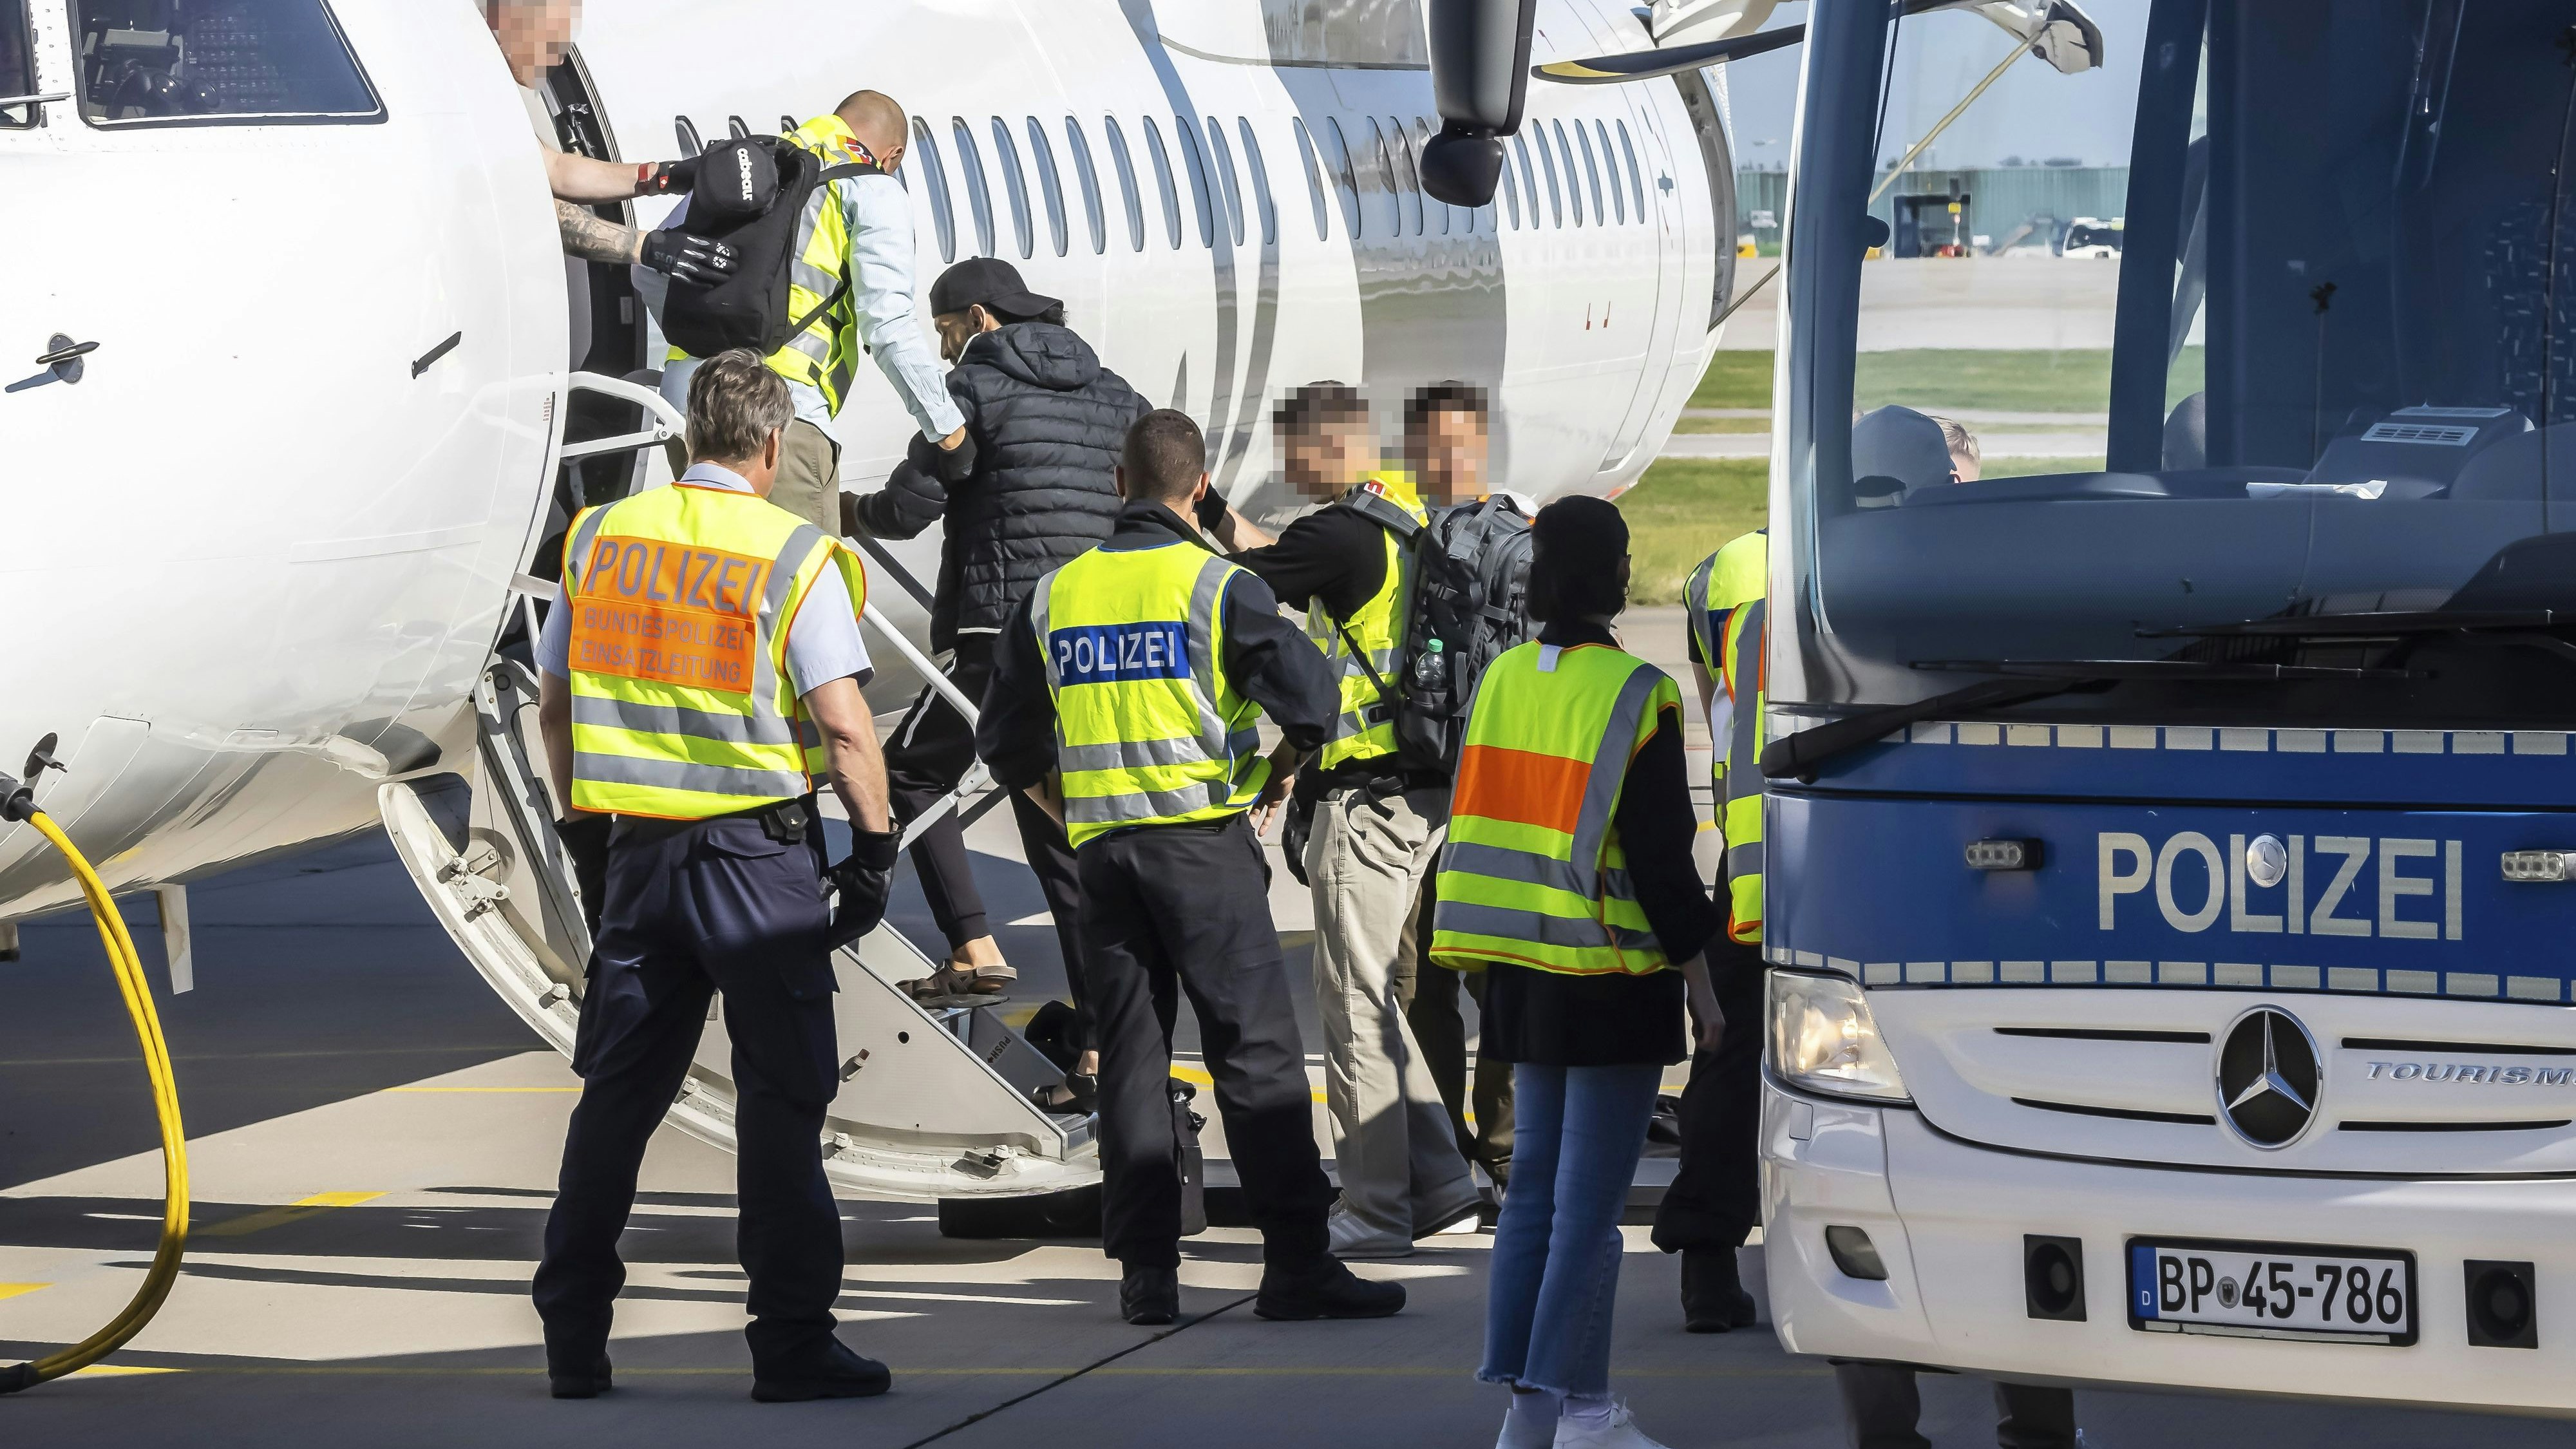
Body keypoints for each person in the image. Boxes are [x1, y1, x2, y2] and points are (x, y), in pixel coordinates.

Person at [529, 351, 904, 1403]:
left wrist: (585, 837)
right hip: (754, 863)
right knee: (781, 1101)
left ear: (688, 437)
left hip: (639, 854)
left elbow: (554, 706)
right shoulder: (792, 553)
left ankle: (573, 1338)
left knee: (617, 1097)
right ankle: (791, 1342)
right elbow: (844, 730)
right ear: (774, 444)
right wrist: (874, 853)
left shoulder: (601, 537)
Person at [976, 410, 1405, 1328]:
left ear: (1119, 485)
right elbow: (1315, 700)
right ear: (1199, 488)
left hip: (1105, 859)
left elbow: (1005, 742)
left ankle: (1146, 1273)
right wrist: (1280, 769)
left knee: (1132, 1059)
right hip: (1203, 849)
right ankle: (1296, 1264)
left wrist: (1068, 811)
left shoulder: (1056, 595)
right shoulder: (1218, 585)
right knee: (1254, 1055)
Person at [1434, 497, 1728, 1449]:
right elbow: (1662, 862)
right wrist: (1703, 985)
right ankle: (1551, 1417)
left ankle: (1565, 1412)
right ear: (1618, 576)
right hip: (1608, 974)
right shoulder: (1638, 694)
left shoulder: (1504, 677)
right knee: (1592, 1217)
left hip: (1521, 972)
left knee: (1533, 1199)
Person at [848, 257, 1146, 1107]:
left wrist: (844, 512)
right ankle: (1101, 1053)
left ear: (978, 318)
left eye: (946, 333)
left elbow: (908, 508)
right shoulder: (1116, 393)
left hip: (1003, 635)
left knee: (908, 774)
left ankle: (974, 947)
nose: (944, 351)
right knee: (1062, 837)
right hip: (1099, 637)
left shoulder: (971, 389)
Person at [1203, 383, 1482, 1260]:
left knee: (1354, 1004)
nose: (1289, 473)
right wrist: (1211, 509)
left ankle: (1374, 1206)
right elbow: (1273, 554)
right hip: (1421, 786)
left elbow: (1234, 586)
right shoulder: (1399, 520)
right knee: (1376, 998)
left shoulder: (1338, 532)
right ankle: (1441, 1186)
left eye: (1291, 455)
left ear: (1322, 446)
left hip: (1368, 801)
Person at [654, 90, 971, 537]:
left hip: (687, 407)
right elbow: (888, 328)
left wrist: (702, 339)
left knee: (710, 565)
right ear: (893, 156)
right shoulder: (870, 186)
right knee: (796, 574)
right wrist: (949, 433)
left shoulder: (746, 166)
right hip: (777, 415)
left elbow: (650, 266)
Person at [1382, 384, 1515, 1198]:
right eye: (1432, 447)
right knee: (1418, 982)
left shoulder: (1511, 546)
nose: (1445, 462)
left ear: (1482, 448)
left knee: (1491, 978)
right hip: (1414, 790)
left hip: (1483, 799)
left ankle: (1499, 1148)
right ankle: (1444, 1153)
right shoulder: (1397, 538)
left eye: (1458, 445)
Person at [1653, 527, 1768, 1333]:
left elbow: (1718, 708)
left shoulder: (1720, 570)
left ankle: (1707, 1262)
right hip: (1874, 847)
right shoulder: (1907, 552)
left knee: (1729, 1058)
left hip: (1752, 857)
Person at [480, 0, 737, 285]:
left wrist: (663, 175)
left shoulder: (487, 84)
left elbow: (555, 169)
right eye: (553, 40)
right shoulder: (459, 97)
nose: (560, 59)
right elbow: (523, 203)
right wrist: (647, 247)